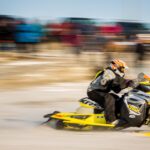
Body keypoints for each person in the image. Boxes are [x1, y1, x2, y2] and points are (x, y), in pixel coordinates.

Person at [87, 59, 129, 126]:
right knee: (109, 98)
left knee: (118, 98)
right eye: (122, 69)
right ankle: (111, 120)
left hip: (102, 91)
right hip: (93, 91)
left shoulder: (114, 74)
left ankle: (119, 116)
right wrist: (126, 82)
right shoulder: (108, 72)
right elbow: (105, 82)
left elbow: (116, 89)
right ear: (115, 66)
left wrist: (128, 86)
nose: (123, 71)